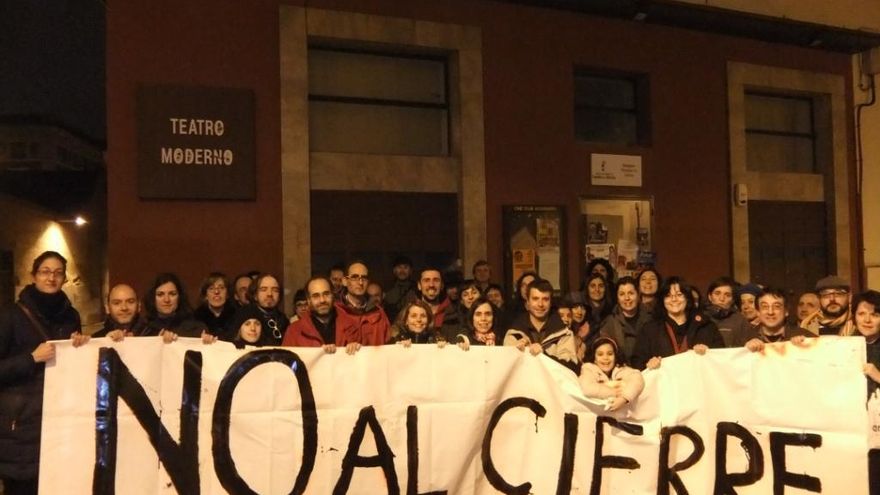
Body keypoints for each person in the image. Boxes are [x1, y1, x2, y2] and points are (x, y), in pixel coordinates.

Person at [0, 251, 84, 495]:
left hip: (61, 421)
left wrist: (79, 346)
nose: (51, 278)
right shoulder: (10, 316)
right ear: (33, 275)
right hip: (22, 428)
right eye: (45, 272)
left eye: (58, 273)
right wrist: (31, 359)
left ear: (64, 278)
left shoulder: (71, 316)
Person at [630, 276, 725, 370]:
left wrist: (709, 354)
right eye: (668, 296)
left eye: (679, 295)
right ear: (662, 300)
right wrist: (648, 365)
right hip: (664, 380)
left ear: (687, 298)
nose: (674, 299)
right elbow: (637, 363)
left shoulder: (706, 326)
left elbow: (722, 360)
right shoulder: (650, 330)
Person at [504, 279, 580, 373]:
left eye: (545, 299)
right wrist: (515, 353)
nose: (540, 304)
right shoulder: (514, 334)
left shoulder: (564, 333)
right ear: (527, 303)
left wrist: (544, 355)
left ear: (551, 303)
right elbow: (505, 370)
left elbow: (570, 370)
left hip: (553, 382)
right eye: (535, 299)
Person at [282, 277, 360, 354]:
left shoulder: (353, 326)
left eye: (326, 294)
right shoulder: (294, 332)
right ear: (308, 300)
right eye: (316, 296)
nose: (322, 300)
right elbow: (286, 360)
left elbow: (363, 359)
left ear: (333, 295)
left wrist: (358, 350)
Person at [851, 290, 880, 495]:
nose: (867, 320)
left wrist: (878, 375)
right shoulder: (844, 346)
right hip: (854, 433)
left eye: (875, 314)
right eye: (861, 314)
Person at [578, 336, 644, 412]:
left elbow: (637, 379)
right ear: (594, 358)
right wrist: (614, 392)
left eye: (610, 354)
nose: (605, 358)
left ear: (615, 357)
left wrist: (624, 398)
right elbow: (587, 388)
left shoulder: (622, 369)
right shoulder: (588, 369)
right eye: (600, 354)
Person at [335, 261, 391, 346]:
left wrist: (400, 345)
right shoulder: (336, 311)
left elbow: (389, 344)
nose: (360, 283)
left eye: (364, 278)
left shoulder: (378, 313)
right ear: (345, 281)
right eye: (354, 277)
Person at [599, 276, 651, 363]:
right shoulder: (609, 323)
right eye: (622, 294)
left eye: (631, 293)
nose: (627, 298)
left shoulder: (651, 318)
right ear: (617, 298)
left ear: (638, 294)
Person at [141, 273, 207, 341]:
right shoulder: (143, 330)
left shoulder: (196, 328)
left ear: (180, 297)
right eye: (160, 294)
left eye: (172, 294)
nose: (166, 300)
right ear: (152, 298)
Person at [744, 287, 811, 352]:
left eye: (777, 306)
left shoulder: (804, 336)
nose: (770, 312)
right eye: (765, 307)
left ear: (786, 311)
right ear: (758, 312)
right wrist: (745, 350)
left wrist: (807, 346)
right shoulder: (746, 338)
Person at [704, 276, 752, 347]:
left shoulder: (740, 320)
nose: (722, 298)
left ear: (732, 300)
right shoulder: (701, 318)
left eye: (727, 295)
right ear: (710, 297)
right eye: (717, 293)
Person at [244, 273, 288, 345]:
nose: (269, 294)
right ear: (255, 295)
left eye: (275, 290)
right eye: (263, 290)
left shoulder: (284, 320)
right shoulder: (244, 318)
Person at [193, 272, 236, 340]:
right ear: (205, 295)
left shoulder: (237, 315)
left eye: (221, 288)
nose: (216, 292)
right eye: (211, 288)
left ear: (227, 294)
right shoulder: (195, 318)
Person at [383, 256, 417, 322]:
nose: (402, 271)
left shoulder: (417, 289)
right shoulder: (387, 288)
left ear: (411, 271)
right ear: (394, 270)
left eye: (405, 267)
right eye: (399, 267)